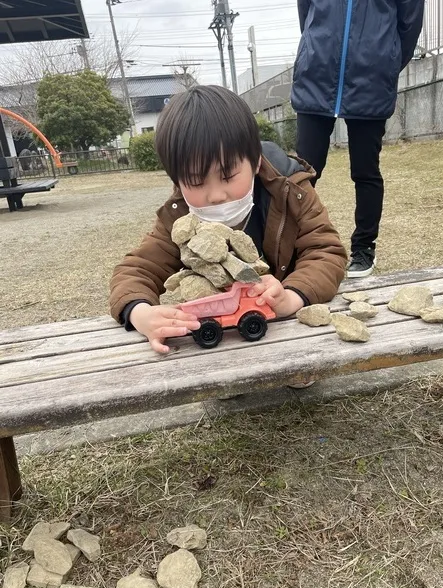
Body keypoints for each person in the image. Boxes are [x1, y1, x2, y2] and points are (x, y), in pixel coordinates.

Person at [110, 85, 347, 356]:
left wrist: (291, 296)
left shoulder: (292, 192)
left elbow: (326, 252)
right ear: (177, 181)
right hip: (223, 335)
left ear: (256, 162)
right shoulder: (180, 217)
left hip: (285, 323)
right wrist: (140, 313)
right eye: (196, 181)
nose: (216, 195)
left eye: (227, 176)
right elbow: (136, 270)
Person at [291, 0, 425, 278]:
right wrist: (317, 47)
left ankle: (364, 248)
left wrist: (384, 60)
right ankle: (296, 247)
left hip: (372, 78)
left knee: (365, 171)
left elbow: (409, 24)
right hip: (316, 72)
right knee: (302, 174)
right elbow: (307, 14)